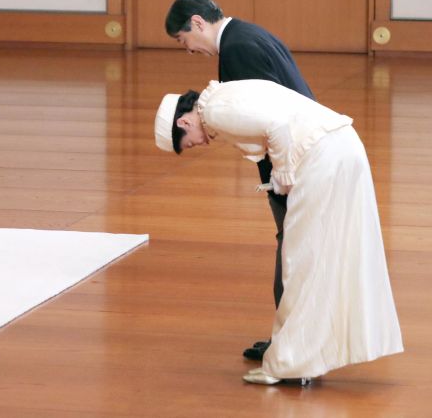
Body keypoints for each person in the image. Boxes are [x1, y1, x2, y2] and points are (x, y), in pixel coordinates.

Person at [154, 80, 403, 384]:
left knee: (301, 262)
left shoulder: (215, 111)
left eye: (190, 141)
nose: (201, 144)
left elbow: (278, 126)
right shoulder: (219, 97)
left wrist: (283, 175)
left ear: (184, 121)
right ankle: (305, 356)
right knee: (326, 256)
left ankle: (290, 363)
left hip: (322, 157)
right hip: (340, 147)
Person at [165, 0, 313, 361]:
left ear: (197, 23)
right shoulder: (249, 34)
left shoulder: (238, 50)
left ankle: (291, 346)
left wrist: (281, 176)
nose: (189, 51)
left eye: (184, 41)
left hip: (293, 168)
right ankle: (292, 340)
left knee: (293, 253)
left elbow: (273, 118)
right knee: (296, 251)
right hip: (300, 159)